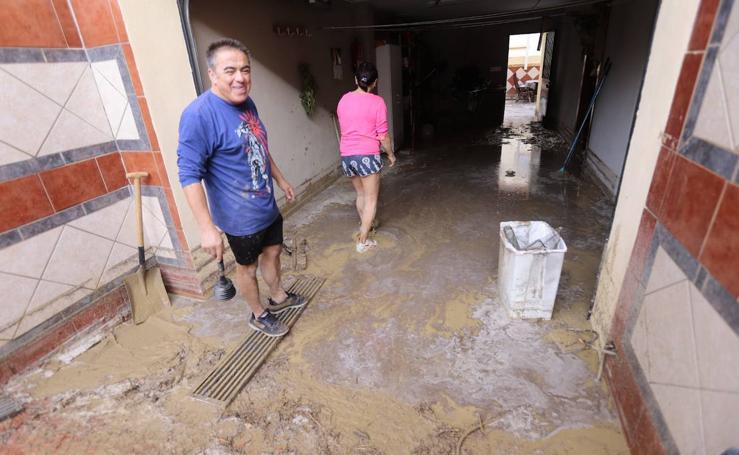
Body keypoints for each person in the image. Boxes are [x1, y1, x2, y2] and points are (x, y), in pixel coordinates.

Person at [177, 38, 305, 337]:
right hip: (239, 217)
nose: (240, 78)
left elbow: (257, 145)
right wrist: (206, 227)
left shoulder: (247, 102)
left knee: (273, 252)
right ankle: (258, 314)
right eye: (230, 70)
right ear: (212, 74)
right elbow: (188, 174)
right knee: (246, 268)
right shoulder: (198, 115)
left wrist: (281, 179)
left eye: (245, 70)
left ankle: (278, 298)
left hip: (265, 206)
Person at [336, 61, 397, 253]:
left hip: (347, 155)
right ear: (375, 82)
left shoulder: (344, 99)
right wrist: (390, 154)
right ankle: (363, 241)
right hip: (367, 156)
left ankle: (366, 225)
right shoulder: (377, 102)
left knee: (361, 195)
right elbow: (383, 136)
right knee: (371, 199)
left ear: (355, 79)